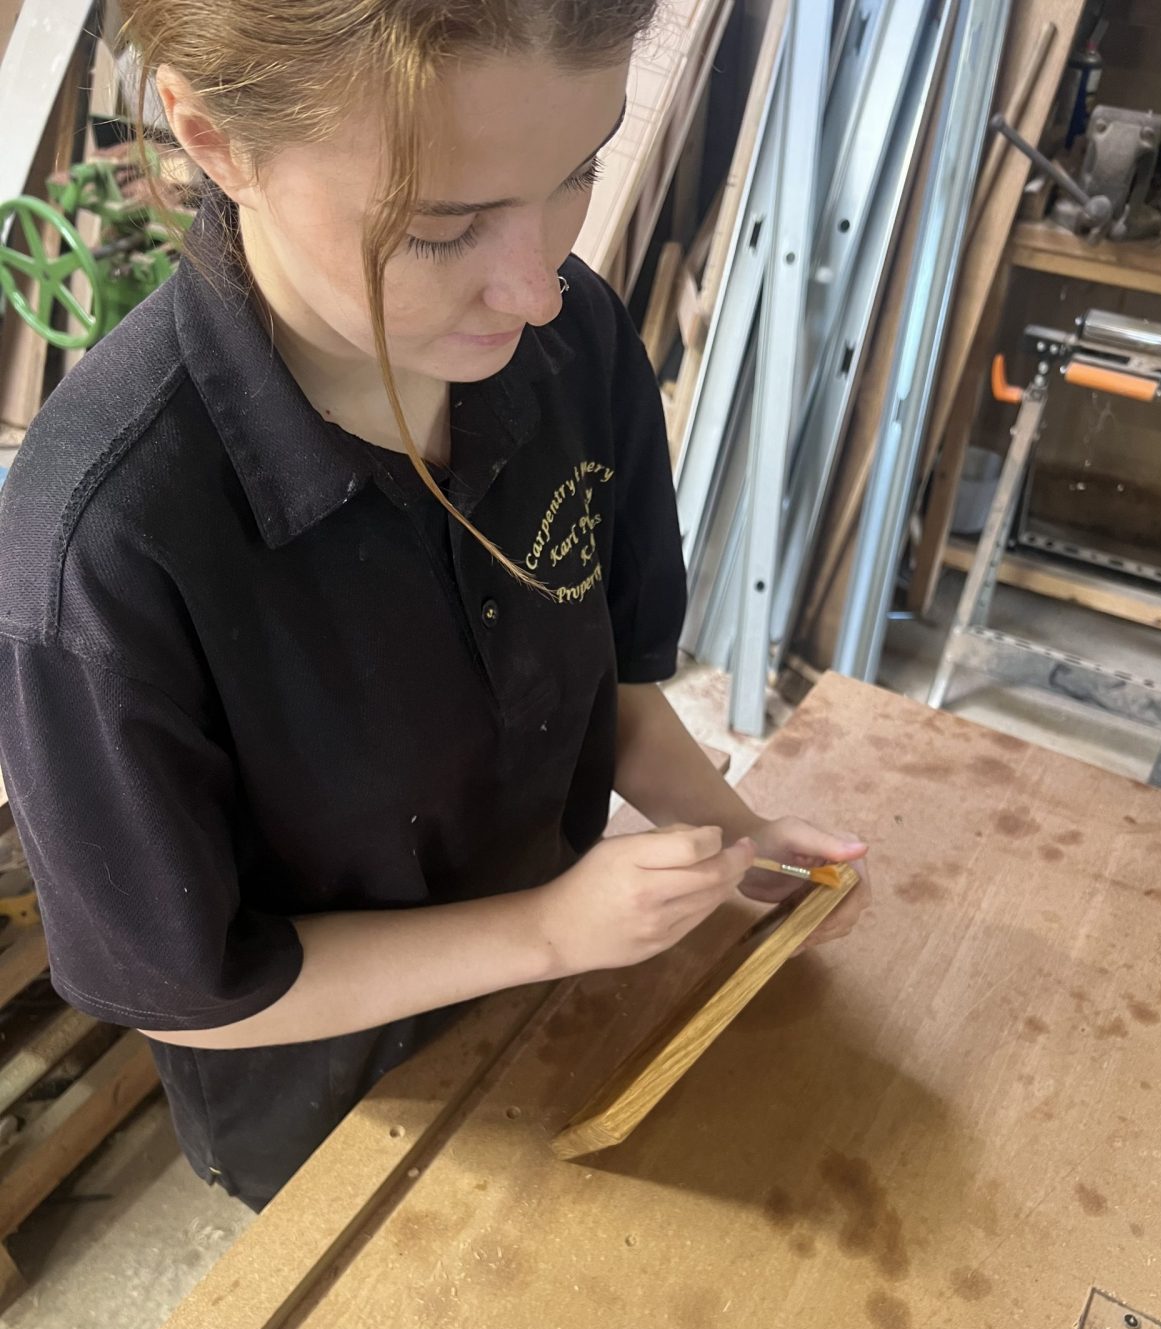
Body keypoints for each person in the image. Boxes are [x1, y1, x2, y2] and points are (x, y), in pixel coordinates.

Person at [0, 0, 868, 1210]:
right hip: (336, 1122)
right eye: (438, 230)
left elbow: (604, 688)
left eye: (581, 171)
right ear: (217, 143)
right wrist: (553, 929)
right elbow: (204, 986)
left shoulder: (575, 350)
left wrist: (734, 830)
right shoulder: (100, 546)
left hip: (556, 1016)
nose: (537, 288)